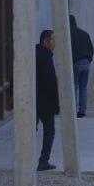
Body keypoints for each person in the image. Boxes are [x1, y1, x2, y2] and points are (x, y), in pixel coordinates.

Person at [35, 29, 58, 172]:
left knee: (31, 129)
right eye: (53, 40)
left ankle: (25, 160)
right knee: (49, 131)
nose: (55, 43)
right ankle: (43, 161)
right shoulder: (45, 58)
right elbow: (50, 82)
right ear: (46, 41)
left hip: (33, 100)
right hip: (45, 102)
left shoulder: (34, 53)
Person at [69, 15, 94, 118]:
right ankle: (82, 110)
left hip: (75, 63)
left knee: (74, 86)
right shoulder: (84, 33)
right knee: (83, 87)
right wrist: (88, 60)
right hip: (86, 63)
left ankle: (74, 110)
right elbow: (91, 48)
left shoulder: (68, 34)